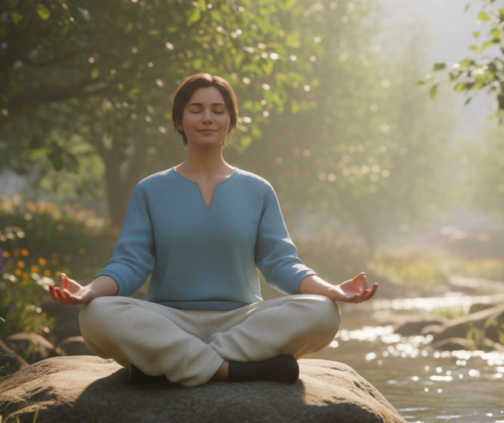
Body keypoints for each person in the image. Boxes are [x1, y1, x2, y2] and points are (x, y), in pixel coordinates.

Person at [47, 73, 378, 386]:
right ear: (180, 121)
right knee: (95, 315)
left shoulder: (258, 190)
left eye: (218, 111)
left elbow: (281, 263)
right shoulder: (151, 190)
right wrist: (89, 291)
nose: (208, 118)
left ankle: (166, 366)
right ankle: (228, 370)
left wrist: (331, 290)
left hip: (241, 322)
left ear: (230, 122)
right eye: (196, 110)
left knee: (323, 311)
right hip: (167, 321)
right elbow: (129, 264)